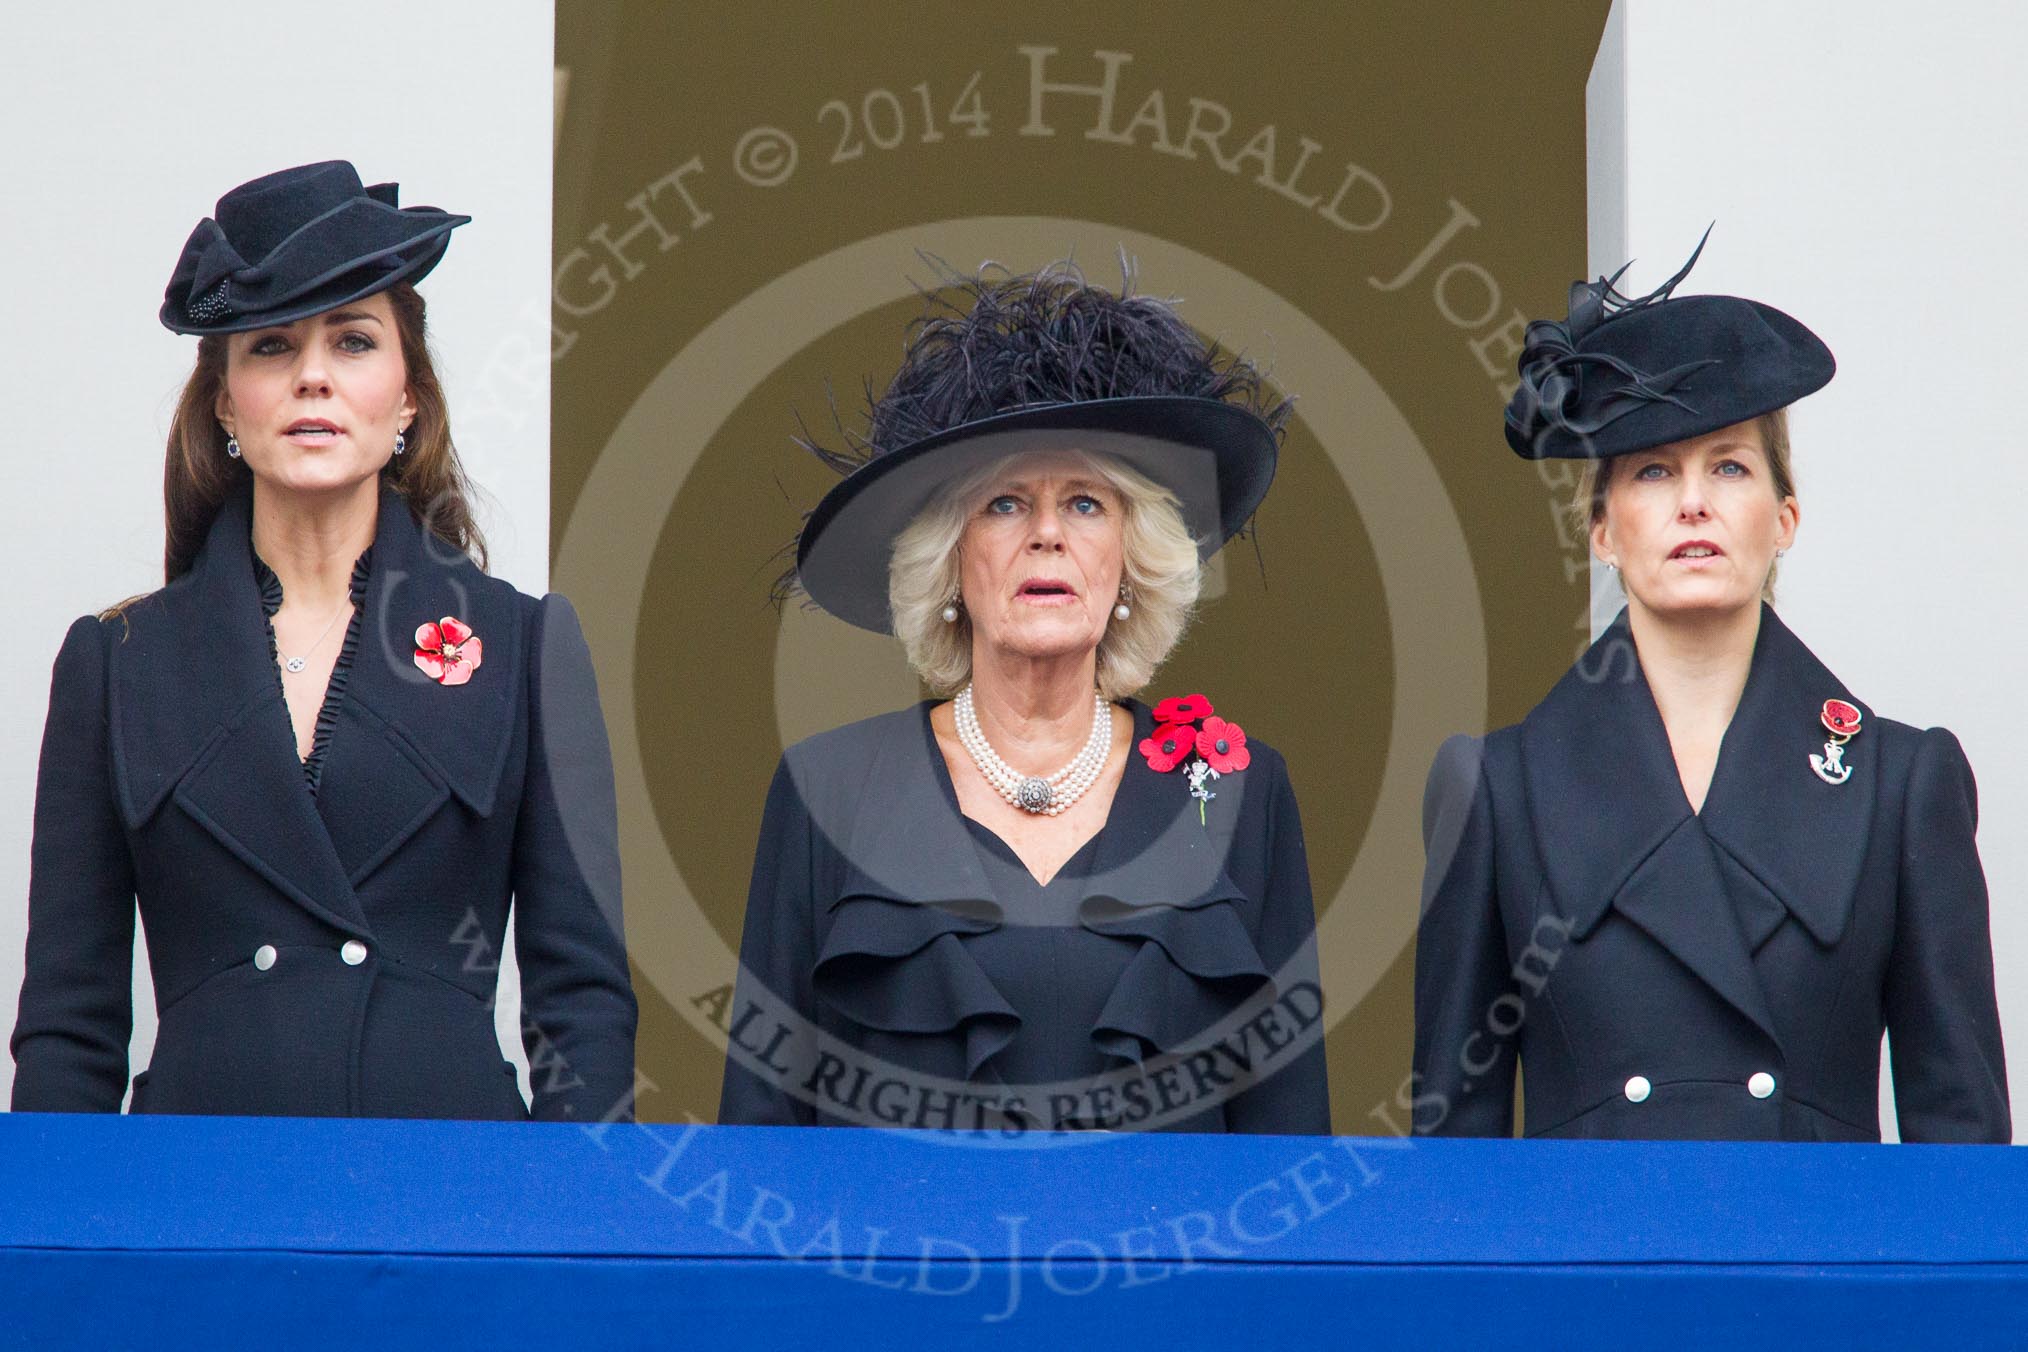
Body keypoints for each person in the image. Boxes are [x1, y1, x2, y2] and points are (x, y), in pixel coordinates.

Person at [10, 161, 637, 1120]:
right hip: (198, 1208)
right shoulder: (116, 662)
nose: (312, 375)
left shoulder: (523, 645)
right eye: (270, 346)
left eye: (352, 340)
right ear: (224, 403)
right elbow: (68, 1025)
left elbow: (583, 1010)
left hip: (450, 1206)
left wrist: (568, 1249)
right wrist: (60, 1250)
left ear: (409, 397)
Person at [1412, 235, 2010, 1142]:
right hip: (1590, 1278)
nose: (1694, 502)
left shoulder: (1903, 781)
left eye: (1729, 466)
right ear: (1603, 531)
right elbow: (1453, 1167)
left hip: (1823, 1276)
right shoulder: (1498, 789)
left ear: (1785, 517)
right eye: (1654, 471)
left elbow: (1960, 1150)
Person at [718, 265, 1329, 1132]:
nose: (1047, 533)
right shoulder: (830, 789)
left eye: (1084, 502)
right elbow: (763, 1128)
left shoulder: (1235, 791)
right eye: (1006, 503)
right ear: (950, 565)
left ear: (1129, 561)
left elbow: (1286, 1132)